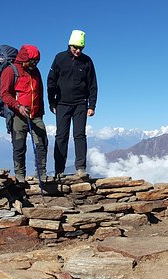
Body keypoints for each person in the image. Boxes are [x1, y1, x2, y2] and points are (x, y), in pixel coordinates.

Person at [47, 29, 98, 178]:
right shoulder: (60, 58)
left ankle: (81, 168)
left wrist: (91, 105)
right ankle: (59, 170)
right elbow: (51, 81)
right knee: (61, 136)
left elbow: (93, 84)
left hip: (81, 104)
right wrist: (52, 102)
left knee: (79, 135)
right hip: (62, 103)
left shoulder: (87, 61)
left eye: (81, 48)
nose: (77, 51)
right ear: (70, 45)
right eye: (75, 48)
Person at [0, 44, 48, 183]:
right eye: (32, 61)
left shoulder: (36, 71)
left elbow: (39, 92)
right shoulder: (10, 71)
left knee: (42, 142)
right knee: (19, 145)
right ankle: (20, 175)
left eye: (37, 61)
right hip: (18, 115)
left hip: (36, 114)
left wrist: (41, 111)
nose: (35, 64)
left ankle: (41, 173)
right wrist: (18, 106)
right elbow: (5, 94)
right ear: (23, 59)